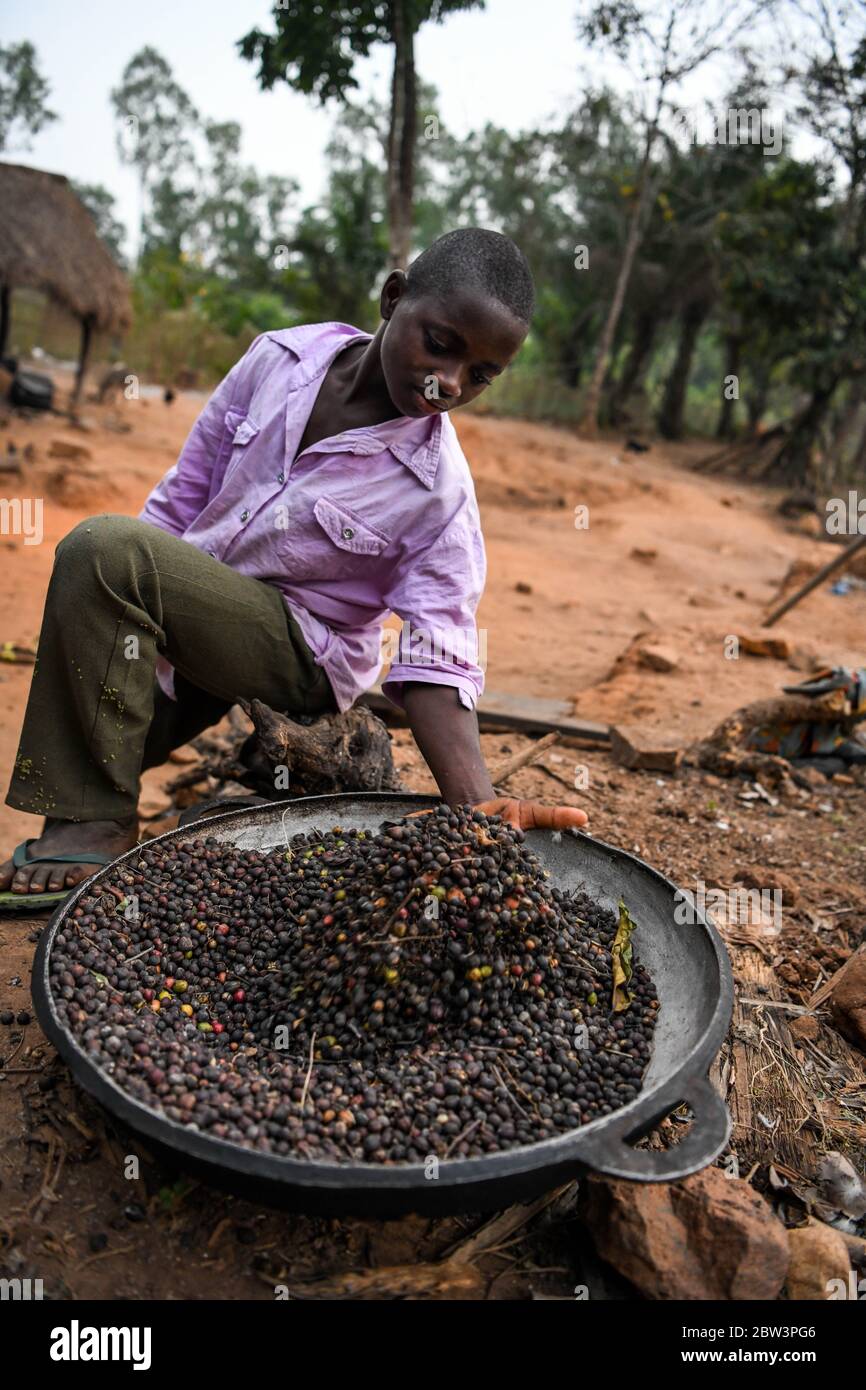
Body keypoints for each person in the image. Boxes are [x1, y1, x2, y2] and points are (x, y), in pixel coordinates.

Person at [1, 228, 587, 904]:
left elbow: (439, 649)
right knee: (107, 583)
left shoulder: (439, 492)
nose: (449, 382)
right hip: (198, 614)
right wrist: (139, 640)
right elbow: (182, 500)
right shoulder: (279, 359)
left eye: (481, 374)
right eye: (441, 343)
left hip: (301, 655)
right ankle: (90, 798)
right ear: (393, 298)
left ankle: (90, 825)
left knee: (101, 549)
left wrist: (476, 802)